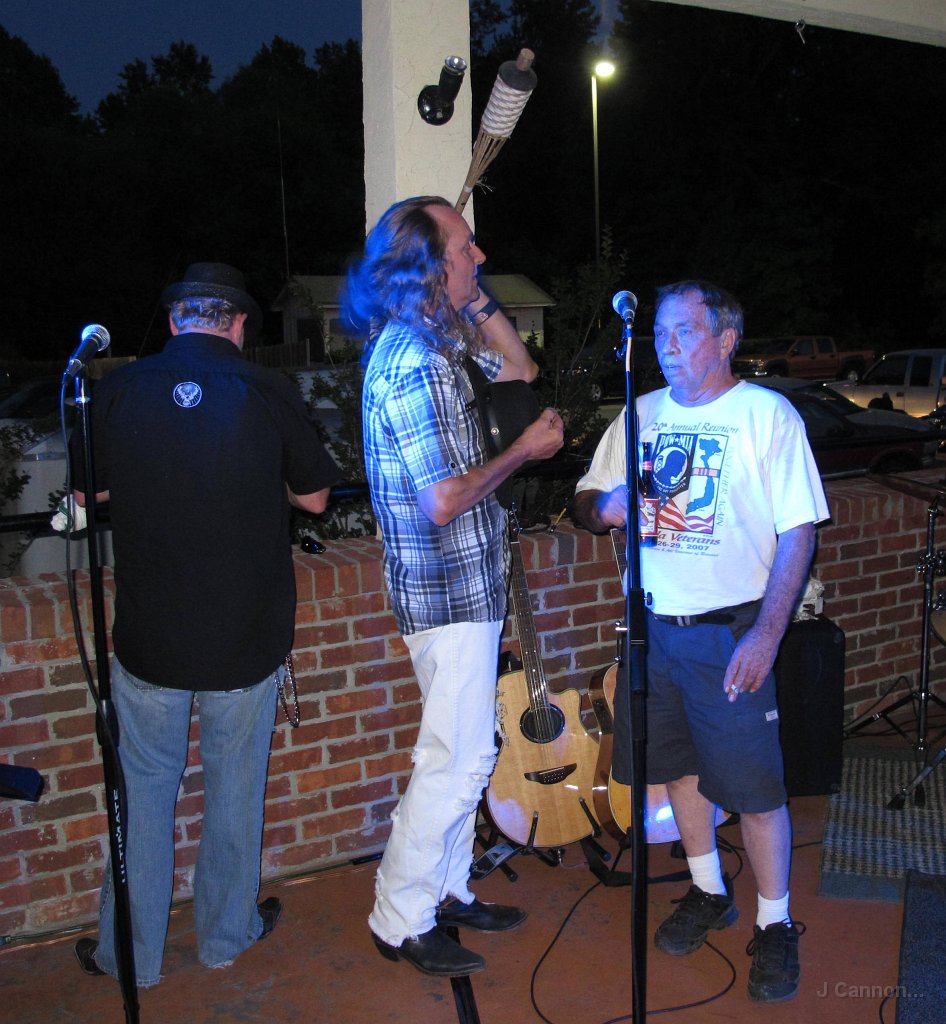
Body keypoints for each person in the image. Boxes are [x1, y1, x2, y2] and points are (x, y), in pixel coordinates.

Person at [71, 263, 340, 986]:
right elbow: (316, 498)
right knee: (233, 792)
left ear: (173, 321)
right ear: (239, 324)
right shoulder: (266, 388)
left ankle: (131, 957)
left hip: (150, 637)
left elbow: (87, 492)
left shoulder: (119, 388)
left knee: (143, 795)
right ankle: (225, 937)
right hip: (245, 635)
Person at [573, 280, 829, 1004]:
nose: (667, 345)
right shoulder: (640, 414)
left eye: (684, 331)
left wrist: (769, 635)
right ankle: (708, 888)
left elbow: (798, 532)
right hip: (654, 632)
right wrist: (605, 507)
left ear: (725, 340)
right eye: (659, 332)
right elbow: (584, 502)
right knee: (678, 771)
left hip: (731, 632)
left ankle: (775, 923)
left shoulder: (765, 416)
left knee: (755, 788)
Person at [346, 196, 564, 977]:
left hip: (465, 586)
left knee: (464, 751)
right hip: (447, 593)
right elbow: (441, 499)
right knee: (457, 760)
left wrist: (472, 298)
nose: (481, 255)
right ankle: (400, 915)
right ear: (429, 264)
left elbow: (520, 368)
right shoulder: (412, 360)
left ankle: (445, 889)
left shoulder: (438, 341)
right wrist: (524, 451)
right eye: (467, 248)